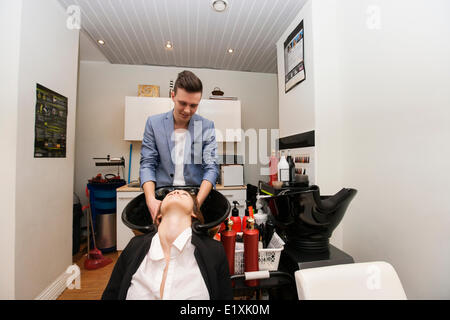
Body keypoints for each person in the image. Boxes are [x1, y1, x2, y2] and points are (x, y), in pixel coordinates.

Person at [102, 189, 233, 300]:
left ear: (194, 213)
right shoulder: (134, 246)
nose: (175, 191)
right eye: (168, 194)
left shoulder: (214, 251)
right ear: (158, 215)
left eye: (185, 194)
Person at [140, 70, 219, 221]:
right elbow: (147, 164)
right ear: (173, 96)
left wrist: (195, 205)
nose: (187, 110)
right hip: (163, 197)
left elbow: (212, 168)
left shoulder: (206, 126)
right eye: (182, 103)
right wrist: (151, 201)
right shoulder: (153, 123)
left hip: (195, 197)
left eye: (193, 105)